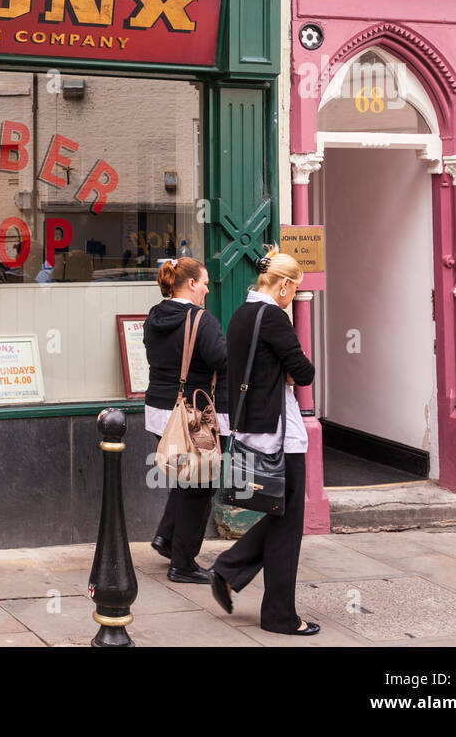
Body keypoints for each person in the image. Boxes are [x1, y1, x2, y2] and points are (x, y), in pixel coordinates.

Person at [209, 246, 319, 635]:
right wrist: (291, 371)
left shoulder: (242, 314)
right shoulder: (273, 317)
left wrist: (282, 372)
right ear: (284, 285)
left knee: (279, 513)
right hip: (280, 433)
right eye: (295, 289)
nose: (294, 296)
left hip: (253, 427)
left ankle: (228, 569)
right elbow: (304, 372)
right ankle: (279, 616)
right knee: (288, 524)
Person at [143, 256, 228, 584]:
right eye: (204, 283)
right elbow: (222, 359)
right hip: (190, 414)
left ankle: (166, 537)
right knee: (200, 485)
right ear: (191, 283)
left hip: (158, 410)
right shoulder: (201, 321)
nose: (207, 289)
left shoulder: (154, 316)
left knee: (183, 476)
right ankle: (183, 563)